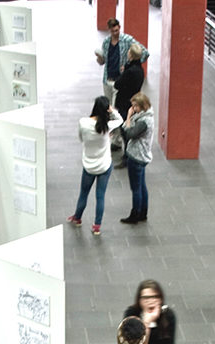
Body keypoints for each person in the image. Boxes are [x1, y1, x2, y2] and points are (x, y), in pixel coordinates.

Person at [68, 96, 123, 236]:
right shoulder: (107, 125)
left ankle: (77, 218)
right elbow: (120, 120)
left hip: (89, 166)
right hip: (104, 166)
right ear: (107, 109)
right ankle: (97, 226)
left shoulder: (83, 122)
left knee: (84, 193)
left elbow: (81, 138)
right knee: (100, 196)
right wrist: (113, 111)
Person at [94, 18, 149, 105]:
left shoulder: (127, 40)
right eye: (112, 31)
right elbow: (103, 61)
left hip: (119, 81)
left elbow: (145, 52)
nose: (115, 33)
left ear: (119, 27)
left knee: (115, 108)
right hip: (107, 80)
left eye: (116, 30)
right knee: (107, 107)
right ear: (109, 30)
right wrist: (100, 59)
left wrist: (132, 65)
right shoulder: (106, 42)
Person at [119, 92, 154, 224]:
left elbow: (129, 134)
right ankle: (143, 212)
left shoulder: (143, 121)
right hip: (143, 155)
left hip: (136, 156)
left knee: (136, 188)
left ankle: (135, 214)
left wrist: (128, 117)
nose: (133, 109)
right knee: (142, 185)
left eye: (135, 106)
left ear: (142, 105)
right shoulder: (147, 116)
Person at [112, 43, 145, 161]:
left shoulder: (129, 71)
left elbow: (117, 84)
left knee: (125, 130)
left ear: (131, 55)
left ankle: (127, 157)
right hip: (134, 101)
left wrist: (123, 73)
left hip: (125, 103)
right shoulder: (140, 70)